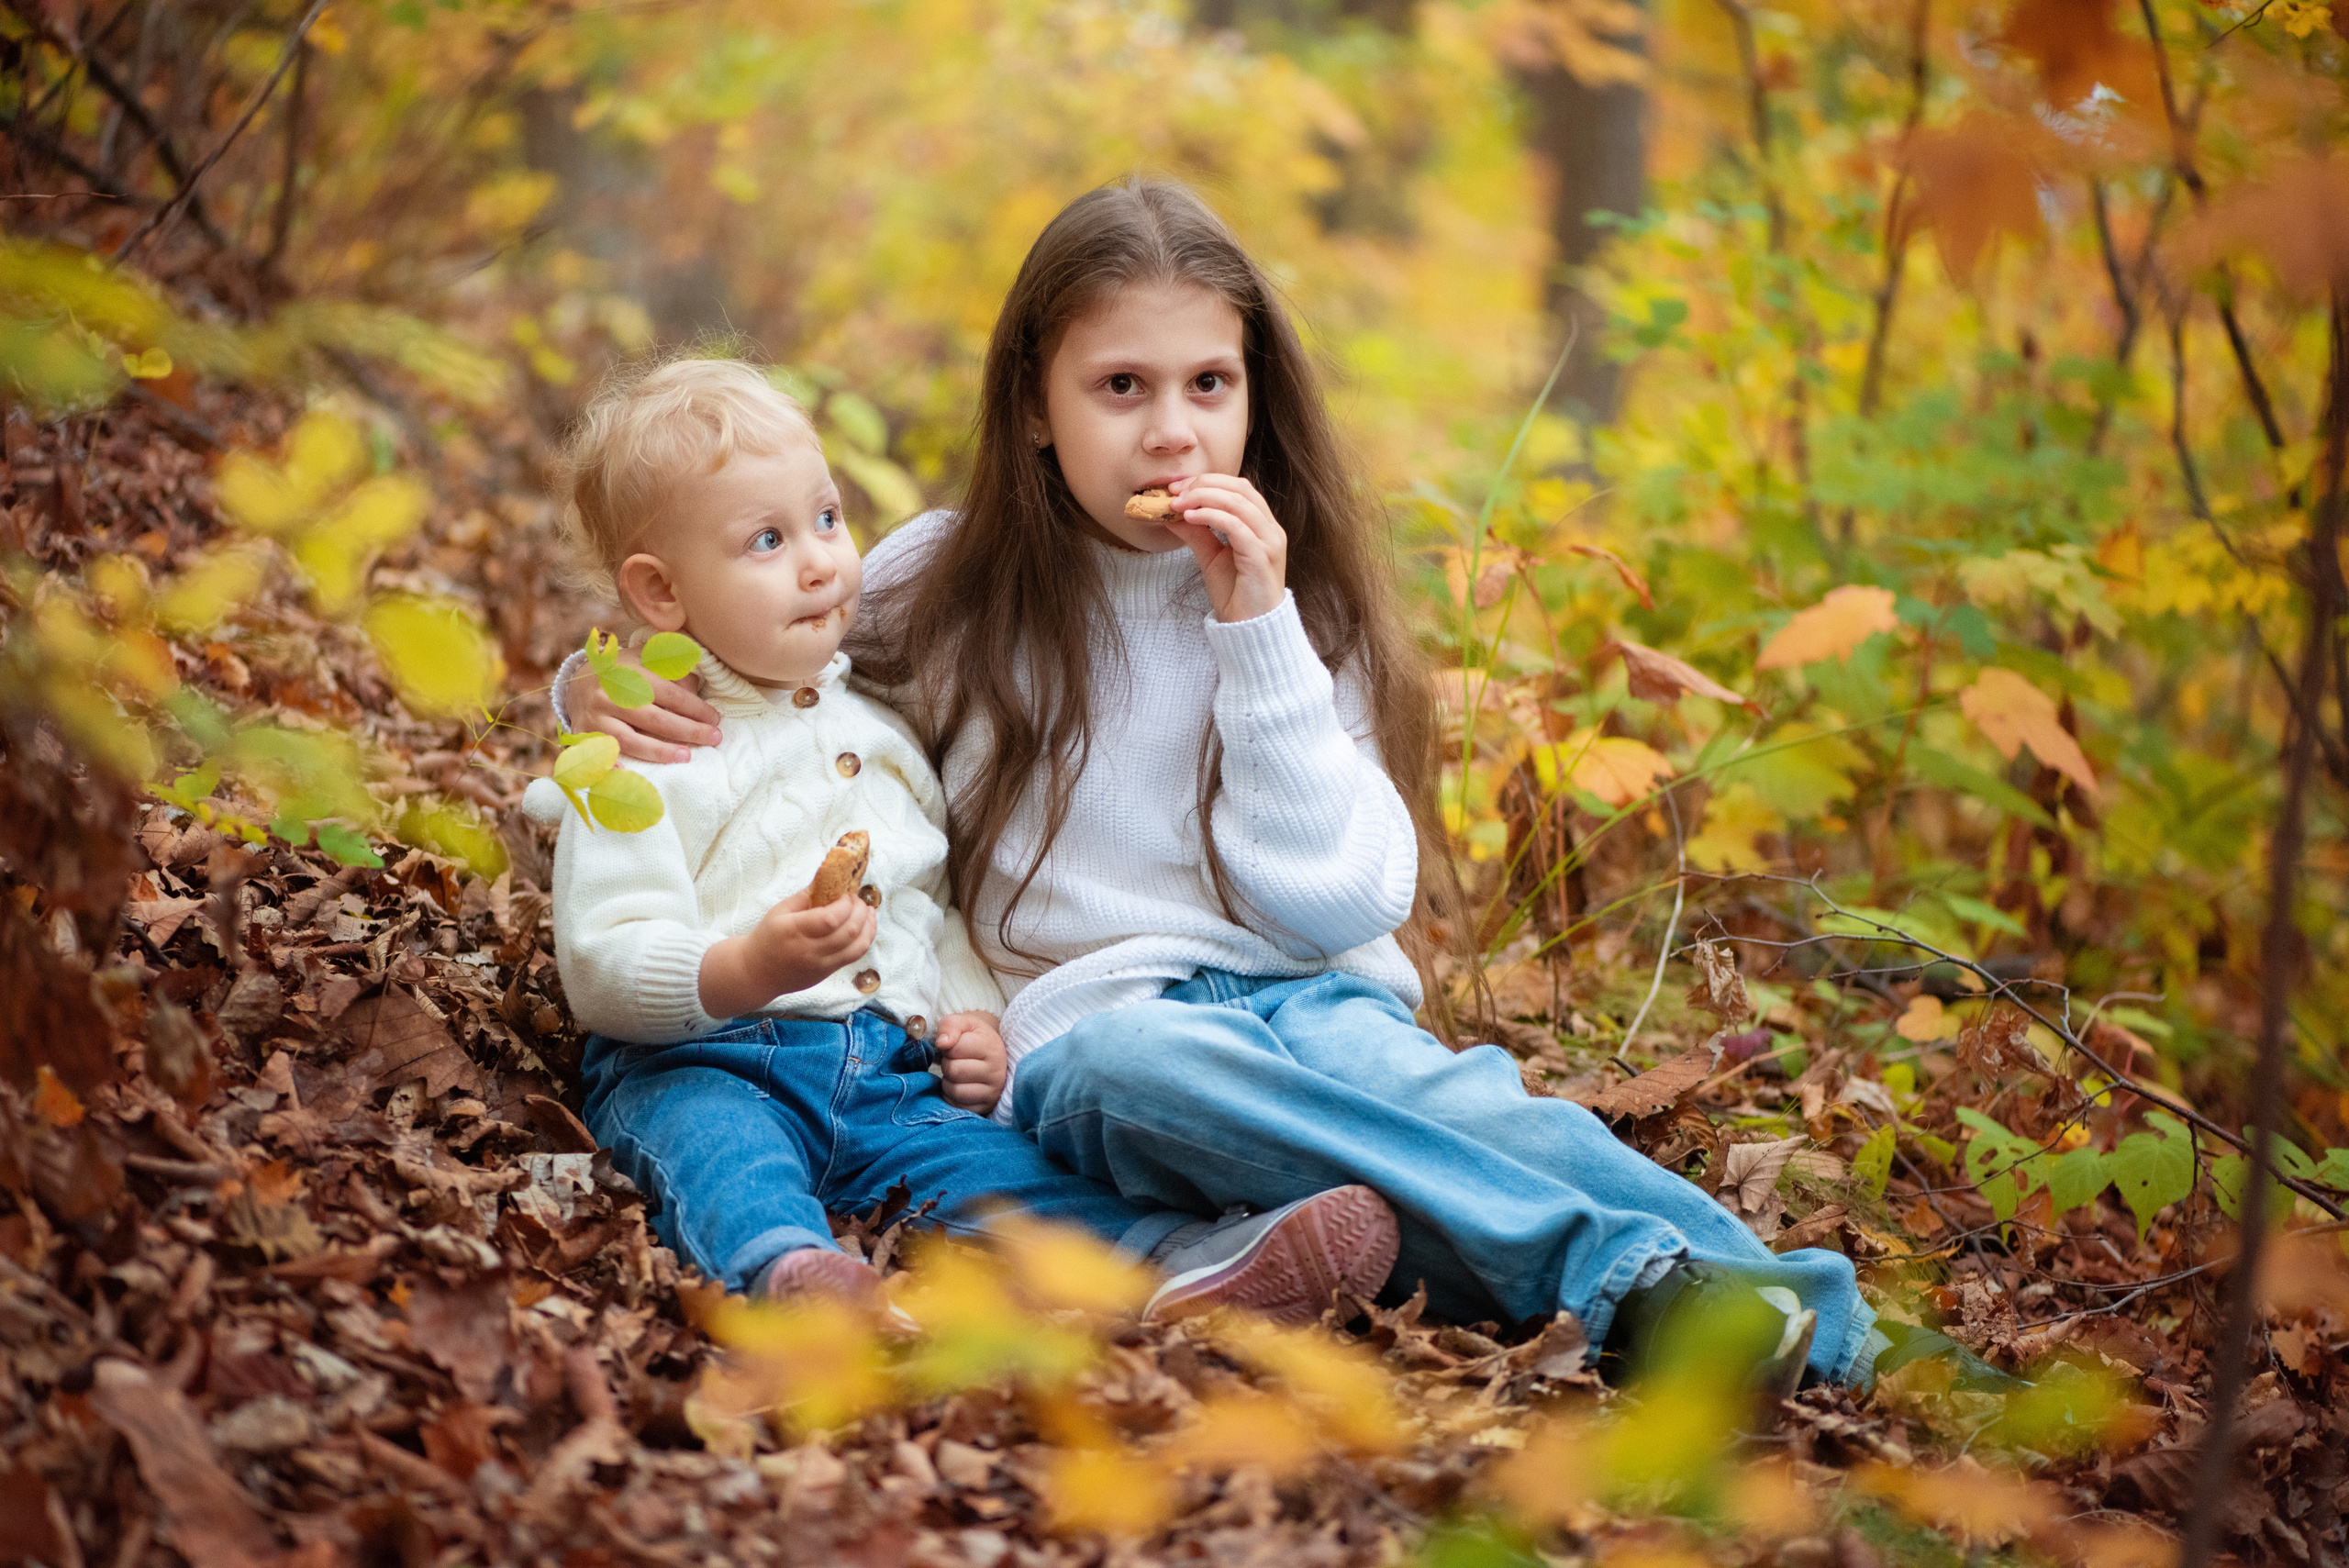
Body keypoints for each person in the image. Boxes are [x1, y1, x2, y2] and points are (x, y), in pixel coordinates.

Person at [558, 186, 1880, 1388]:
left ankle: (1828, 1335)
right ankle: (1625, 1285)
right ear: (1035, 405)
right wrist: (594, 688)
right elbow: (766, 673)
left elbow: (1343, 898)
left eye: (1209, 383)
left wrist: (1257, 628)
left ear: (1254, 398)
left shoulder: (1305, 608)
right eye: (1120, 386)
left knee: (1456, 1106)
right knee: (1150, 1061)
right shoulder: (941, 582)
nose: (1172, 430)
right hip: (1101, 1036)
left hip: (1316, 1000)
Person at [522, 355, 1400, 1318]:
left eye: (826, 518)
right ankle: (789, 1275)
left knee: (1004, 1178)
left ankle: (1185, 1265)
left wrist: (974, 1018)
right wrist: (744, 965)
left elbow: (930, 908)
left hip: (891, 1078)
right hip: (709, 1055)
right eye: (766, 540)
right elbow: (604, 957)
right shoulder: (640, 760)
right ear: (660, 593)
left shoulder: (885, 739)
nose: (820, 559)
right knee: (715, 1146)